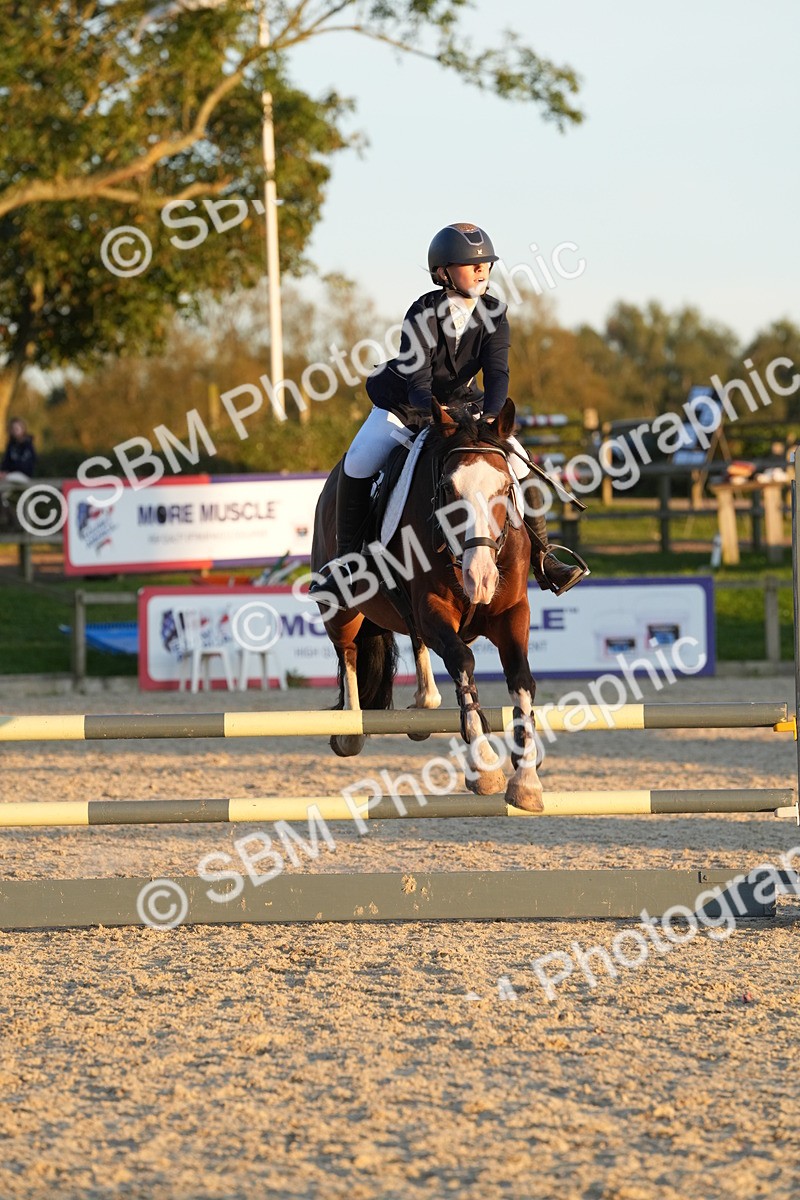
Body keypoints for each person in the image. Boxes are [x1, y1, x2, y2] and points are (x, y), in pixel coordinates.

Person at [310, 222, 587, 606]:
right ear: (443, 272)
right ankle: (345, 567)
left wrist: (491, 417)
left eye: (485, 263)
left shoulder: (495, 314)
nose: (481, 270)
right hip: (406, 404)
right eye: (470, 264)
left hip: (464, 407)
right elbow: (418, 380)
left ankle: (544, 558)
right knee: (357, 461)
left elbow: (497, 374)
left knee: (520, 462)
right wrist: (439, 416)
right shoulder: (423, 312)